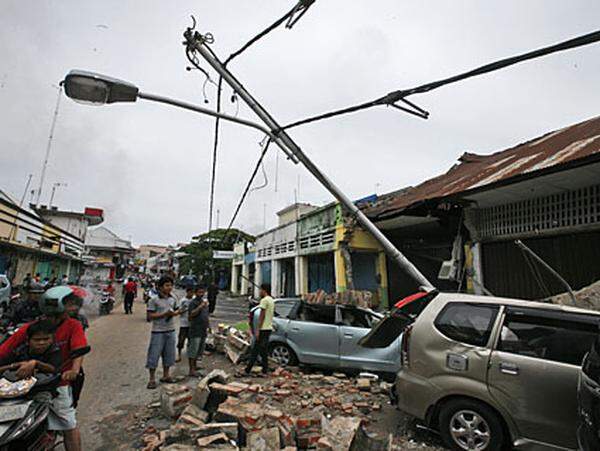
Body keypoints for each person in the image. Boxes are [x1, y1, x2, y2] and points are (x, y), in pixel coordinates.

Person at [0, 286, 88, 451]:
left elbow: (78, 350)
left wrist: (74, 371)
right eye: (68, 303)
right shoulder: (31, 327)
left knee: (67, 423)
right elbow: (5, 349)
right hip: (23, 384)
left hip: (58, 381)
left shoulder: (73, 325)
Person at [146, 276, 180, 389]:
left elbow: (176, 310)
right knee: (154, 355)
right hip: (158, 331)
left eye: (170, 285)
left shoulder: (173, 298)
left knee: (169, 354)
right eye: (167, 285)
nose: (169, 287)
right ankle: (151, 379)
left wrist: (176, 313)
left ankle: (166, 375)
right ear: (160, 287)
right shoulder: (153, 300)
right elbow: (150, 316)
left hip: (170, 330)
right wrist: (164, 314)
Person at [245, 283, 275, 375]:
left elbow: (262, 316)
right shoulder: (271, 300)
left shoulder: (264, 300)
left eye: (260, 290)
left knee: (257, 350)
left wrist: (257, 329)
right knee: (262, 350)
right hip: (268, 328)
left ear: (264, 290)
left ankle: (249, 370)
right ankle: (263, 369)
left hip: (263, 328)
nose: (259, 292)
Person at [187, 285, 209, 377]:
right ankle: (191, 369)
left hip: (203, 329)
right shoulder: (193, 303)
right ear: (195, 293)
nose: (201, 294)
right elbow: (191, 315)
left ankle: (195, 366)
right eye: (199, 292)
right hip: (195, 329)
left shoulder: (204, 302)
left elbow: (206, 315)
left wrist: (208, 326)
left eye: (202, 292)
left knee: (199, 349)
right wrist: (200, 307)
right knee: (193, 350)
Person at [176, 286, 194, 362]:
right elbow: (179, 311)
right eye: (190, 292)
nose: (191, 294)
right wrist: (185, 309)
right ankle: (179, 355)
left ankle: (189, 354)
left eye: (192, 292)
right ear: (187, 292)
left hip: (192, 324)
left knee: (191, 340)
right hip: (183, 323)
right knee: (181, 340)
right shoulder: (183, 300)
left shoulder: (194, 300)